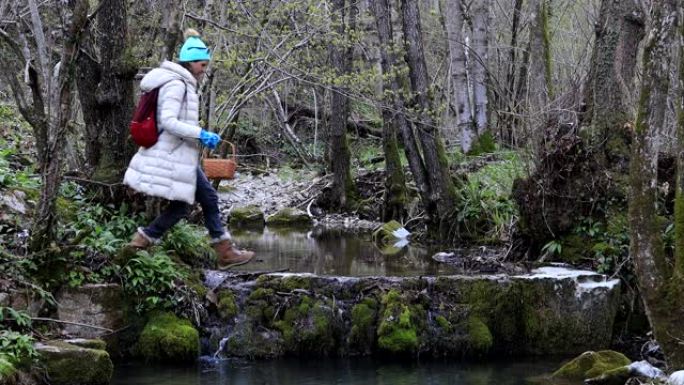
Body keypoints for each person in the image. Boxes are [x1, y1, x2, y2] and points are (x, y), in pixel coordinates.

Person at [123, 28, 255, 270]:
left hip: (178, 155)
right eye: (202, 65)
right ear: (190, 63)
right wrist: (201, 134)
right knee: (209, 197)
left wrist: (200, 135)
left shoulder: (181, 83)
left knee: (182, 206)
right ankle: (225, 252)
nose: (204, 70)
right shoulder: (176, 85)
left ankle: (140, 242)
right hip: (172, 155)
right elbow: (169, 121)